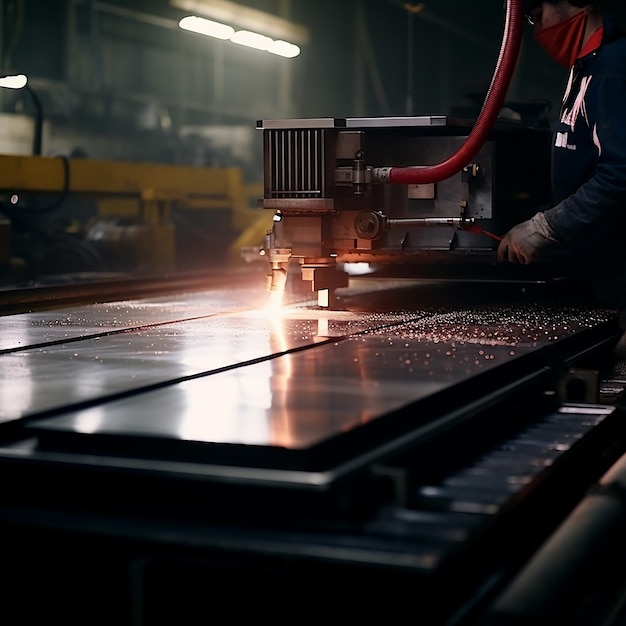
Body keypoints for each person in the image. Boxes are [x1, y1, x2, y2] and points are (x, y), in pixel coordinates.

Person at [497, 1, 626, 349]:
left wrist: (547, 227)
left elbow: (620, 174)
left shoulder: (611, 69)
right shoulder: (586, 66)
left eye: (538, 12)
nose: (537, 26)